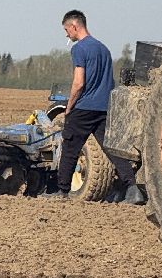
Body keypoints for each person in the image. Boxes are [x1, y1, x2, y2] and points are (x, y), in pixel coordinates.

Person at [47, 10, 143, 203]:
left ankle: (63, 191)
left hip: (83, 107)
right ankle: (133, 189)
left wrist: (69, 107)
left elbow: (79, 82)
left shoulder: (79, 49)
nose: (67, 34)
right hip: (104, 108)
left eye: (66, 30)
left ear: (74, 26)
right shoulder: (104, 49)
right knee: (111, 149)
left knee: (70, 148)